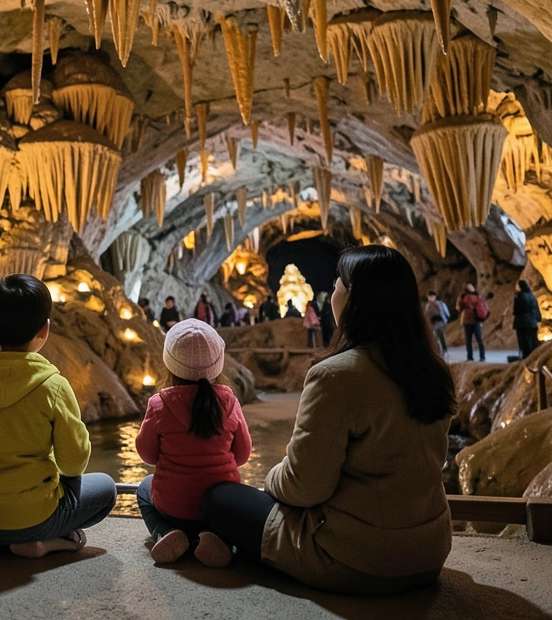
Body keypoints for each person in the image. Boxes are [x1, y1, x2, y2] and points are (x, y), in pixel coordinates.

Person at [201, 245, 457, 595]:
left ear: (354, 299)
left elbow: (304, 486)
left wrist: (272, 479)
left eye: (339, 281)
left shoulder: (335, 376)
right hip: (428, 552)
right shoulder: (433, 370)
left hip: (358, 557)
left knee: (219, 497)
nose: (333, 287)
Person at [0, 274, 117, 557]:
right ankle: (45, 543)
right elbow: (74, 462)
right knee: (107, 489)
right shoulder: (52, 386)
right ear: (45, 330)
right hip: (29, 519)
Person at [135, 319, 252, 567]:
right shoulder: (229, 401)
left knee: (144, 489)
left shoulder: (159, 404)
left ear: (170, 363)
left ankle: (165, 533)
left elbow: (147, 455)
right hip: (220, 509)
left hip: (173, 507)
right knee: (232, 517)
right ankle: (218, 540)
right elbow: (242, 455)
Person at [456, 283, 488, 362]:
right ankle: (482, 356)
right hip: (477, 319)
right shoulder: (478, 296)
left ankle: (470, 357)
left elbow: (459, 308)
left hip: (467, 319)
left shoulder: (463, 297)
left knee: (469, 340)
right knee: (479, 339)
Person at [512, 280, 542, 360]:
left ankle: (527, 358)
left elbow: (517, 310)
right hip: (533, 322)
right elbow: (536, 309)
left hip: (523, 323)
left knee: (525, 342)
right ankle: (534, 357)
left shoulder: (520, 296)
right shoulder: (532, 296)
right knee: (533, 341)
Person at [424, 290, 450, 358]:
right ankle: (439, 351)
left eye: (432, 296)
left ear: (435, 297)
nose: (431, 298)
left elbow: (447, 313)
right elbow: (426, 315)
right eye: (430, 296)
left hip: (440, 322)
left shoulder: (440, 304)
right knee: (435, 338)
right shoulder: (428, 305)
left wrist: (443, 320)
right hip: (432, 324)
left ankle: (443, 351)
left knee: (440, 336)